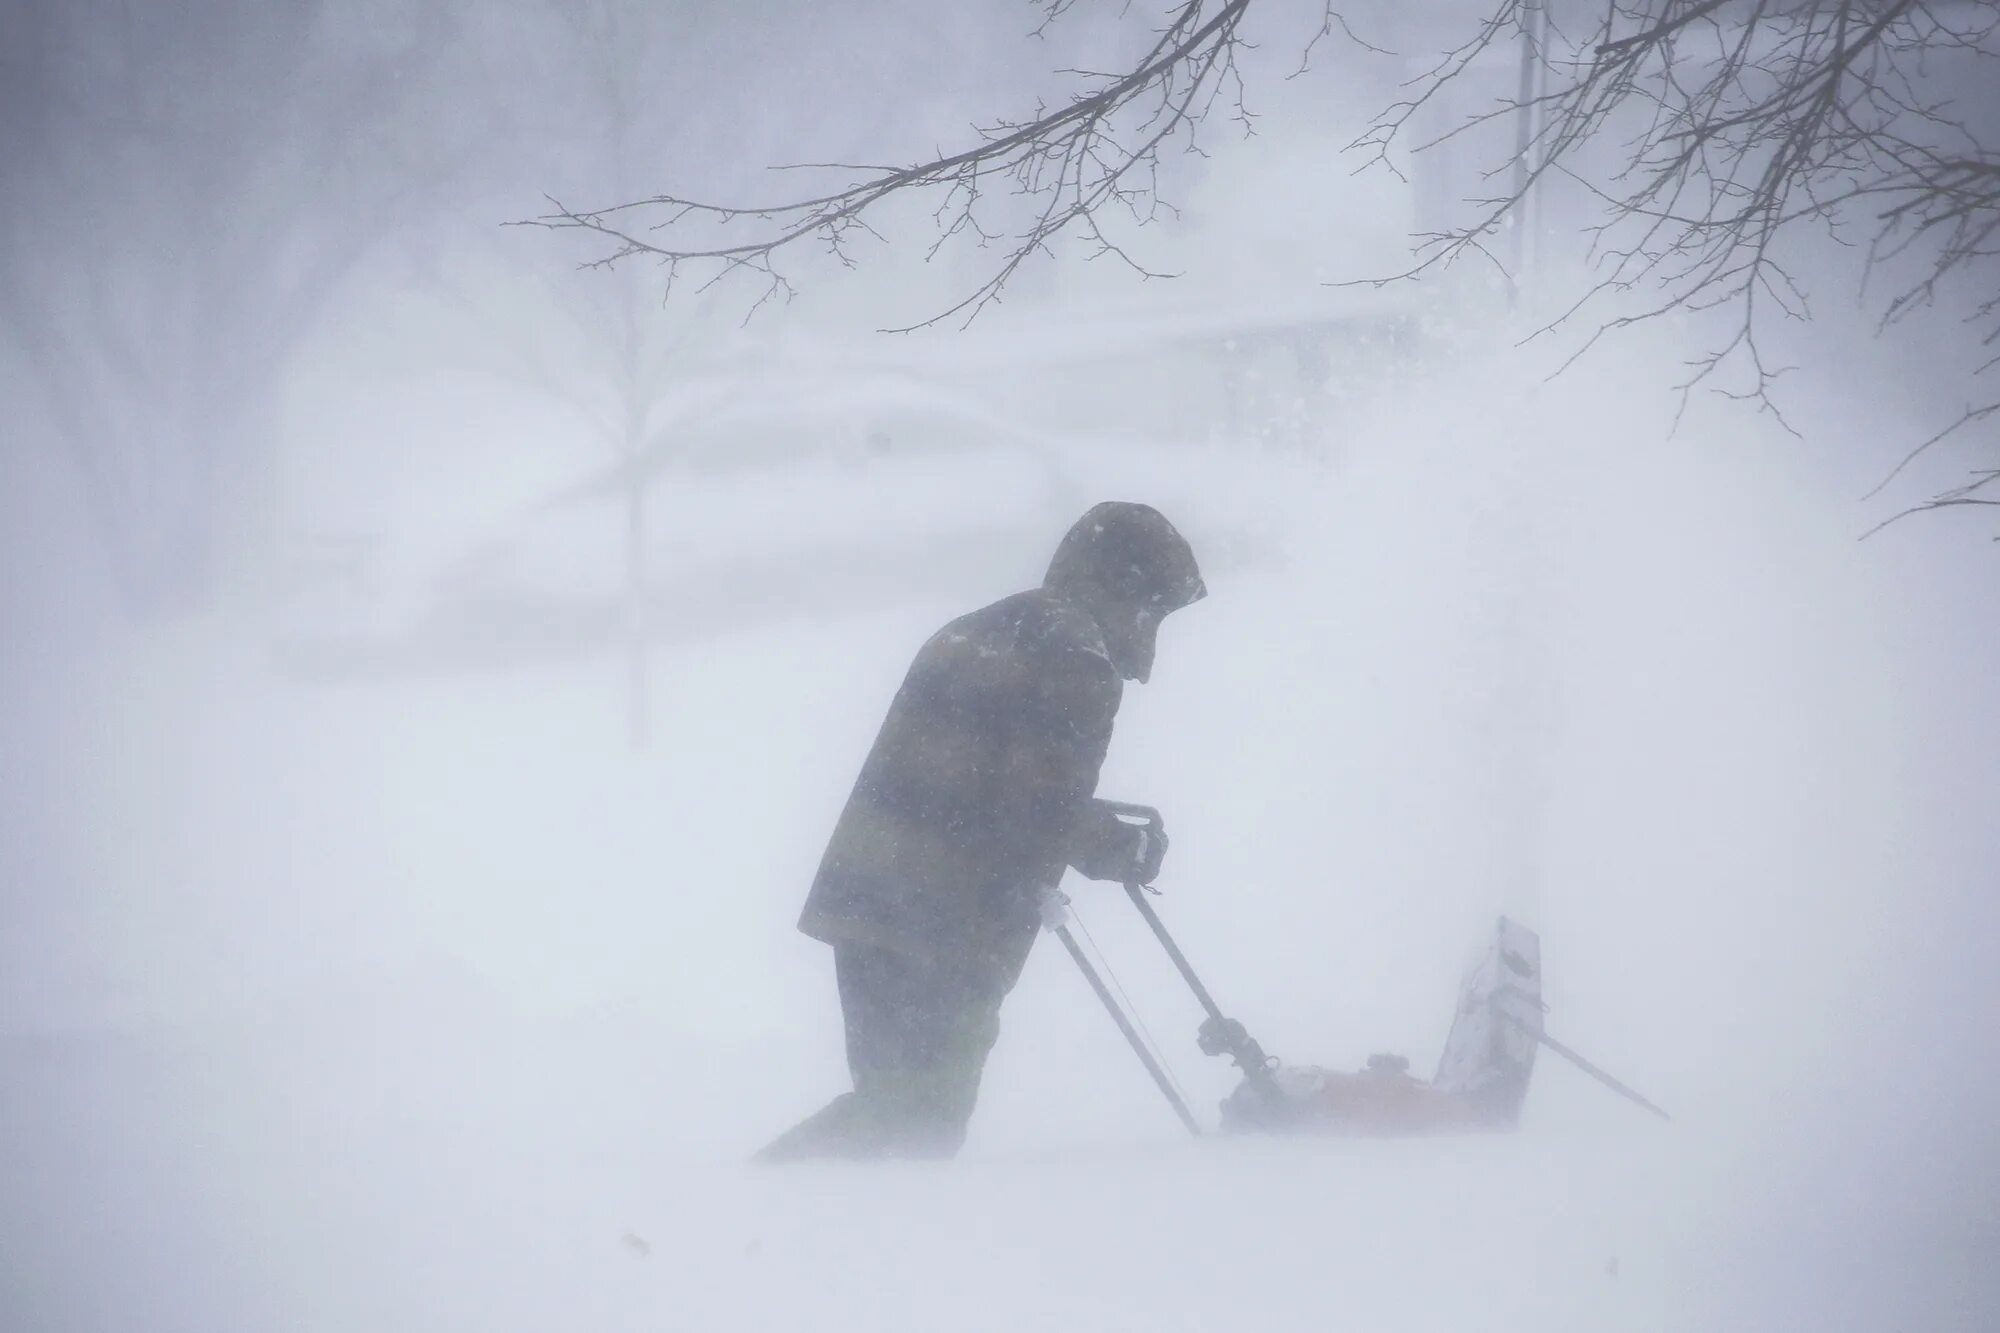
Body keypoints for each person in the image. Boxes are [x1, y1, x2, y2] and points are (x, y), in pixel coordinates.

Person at [757, 501, 1207, 1161]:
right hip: (946, 921)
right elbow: (1037, 806)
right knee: (916, 1122)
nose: (1147, 642)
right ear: (1126, 590)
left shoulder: (982, 628)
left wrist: (1087, 826)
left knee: (894, 1108)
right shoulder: (1077, 655)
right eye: (1153, 609)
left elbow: (990, 780)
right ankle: (752, 1207)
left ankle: (794, 1224)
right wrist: (1119, 846)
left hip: (869, 899)